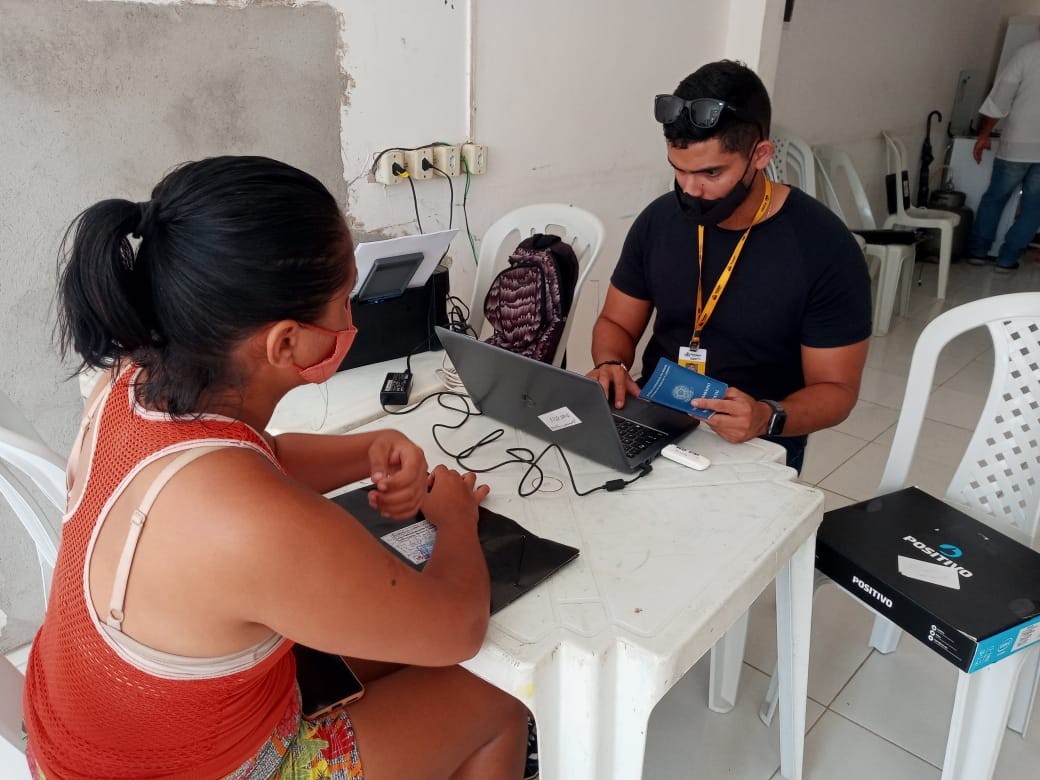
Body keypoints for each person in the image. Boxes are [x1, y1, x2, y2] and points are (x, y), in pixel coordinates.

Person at [22, 156, 529, 779]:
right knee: (497, 702)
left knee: (381, 649)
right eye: (344, 300)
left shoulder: (131, 382)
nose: (352, 321)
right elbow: (457, 628)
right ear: (286, 343)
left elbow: (253, 460)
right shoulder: (253, 523)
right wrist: (450, 518)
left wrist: (368, 447)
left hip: (81, 740)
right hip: (185, 768)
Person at [588, 60, 871, 472]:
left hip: (757, 438)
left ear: (760, 155)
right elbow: (616, 321)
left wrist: (766, 416)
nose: (690, 190)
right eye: (678, 170)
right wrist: (609, 363)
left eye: (710, 173)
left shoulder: (823, 246)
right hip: (655, 415)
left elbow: (837, 390)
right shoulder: (659, 220)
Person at [966, 38, 1040, 273]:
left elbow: (1001, 97)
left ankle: (978, 252)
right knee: (1034, 207)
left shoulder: (1027, 53)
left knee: (995, 198)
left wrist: (984, 134)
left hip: (1017, 143)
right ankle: (1007, 260)